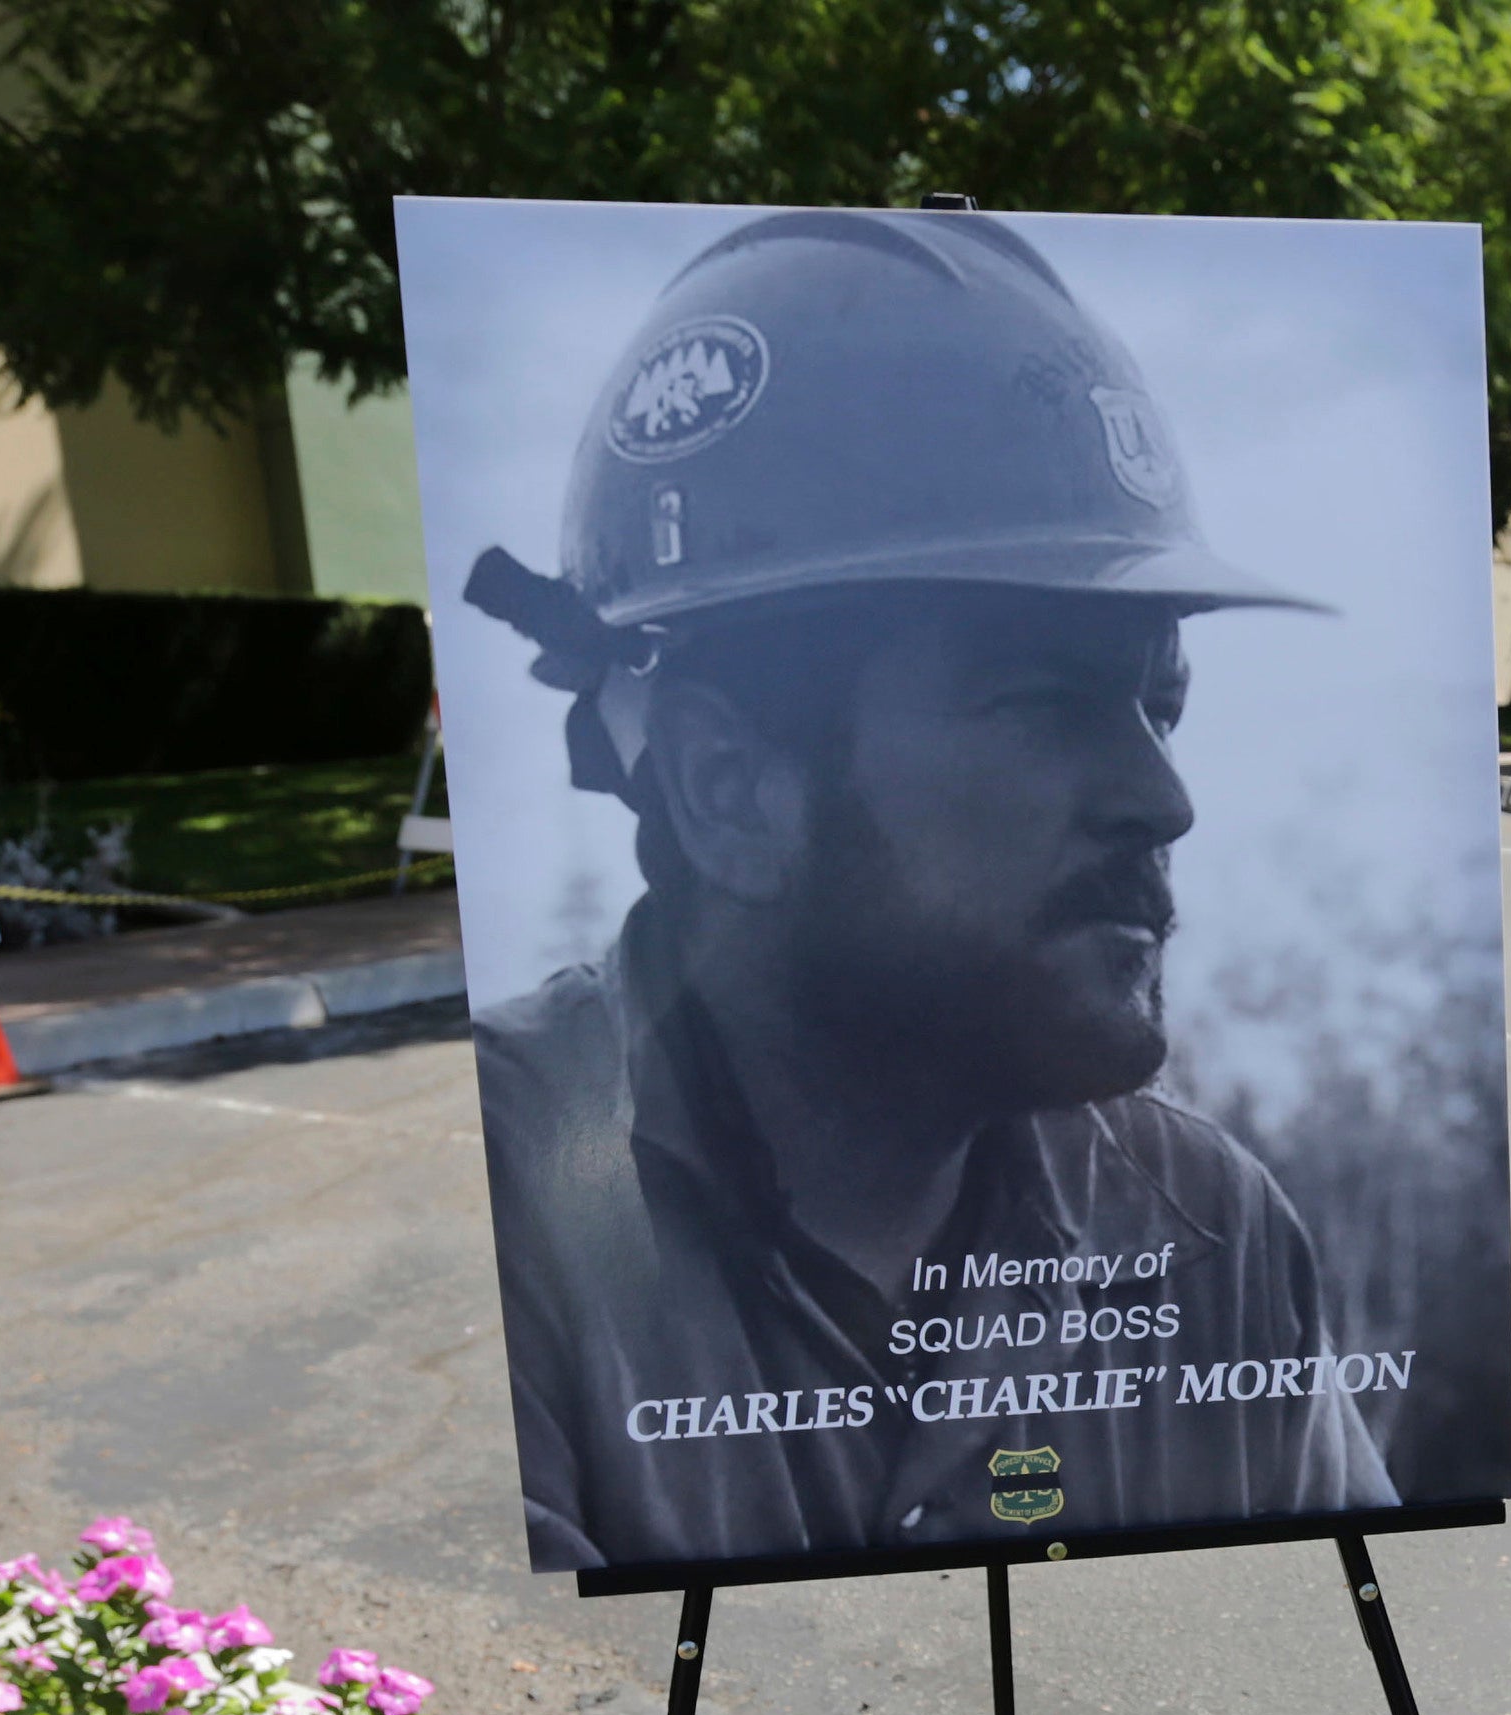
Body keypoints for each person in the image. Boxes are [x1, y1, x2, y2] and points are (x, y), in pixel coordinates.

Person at [460, 208, 1396, 1572]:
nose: (1163, 799)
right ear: (728, 785)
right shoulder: (512, 1203)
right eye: (1043, 703)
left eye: (1159, 708)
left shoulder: (1209, 1225)